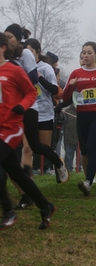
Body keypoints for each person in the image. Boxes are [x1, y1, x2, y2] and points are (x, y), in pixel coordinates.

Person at [4, 23, 69, 210]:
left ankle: (57, 161)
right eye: (5, 36)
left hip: (30, 106)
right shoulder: (5, 56)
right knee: (21, 150)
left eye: (10, 36)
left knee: (35, 146)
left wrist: (13, 74)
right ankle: (26, 193)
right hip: (12, 108)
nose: (7, 39)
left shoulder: (24, 54)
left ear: (18, 38)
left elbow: (32, 79)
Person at [0, 32, 56, 230]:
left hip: (11, 128)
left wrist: (21, 107)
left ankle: (8, 212)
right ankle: (45, 205)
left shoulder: (13, 70)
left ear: (2, 48)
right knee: (17, 174)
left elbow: (31, 92)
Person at [62, 41, 96, 196]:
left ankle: (88, 182)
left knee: (92, 147)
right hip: (82, 115)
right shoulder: (76, 73)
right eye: (83, 52)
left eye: (89, 52)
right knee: (85, 149)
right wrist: (71, 86)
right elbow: (65, 97)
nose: (85, 55)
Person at [25, 38, 62, 175]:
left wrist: (39, 77)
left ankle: (54, 166)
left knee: (44, 146)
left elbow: (54, 90)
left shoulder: (46, 68)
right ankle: (32, 170)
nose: (28, 55)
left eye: (31, 52)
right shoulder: (23, 67)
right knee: (28, 146)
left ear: (38, 52)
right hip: (29, 110)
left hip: (45, 112)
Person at [63, 104, 82, 172]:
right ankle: (68, 169)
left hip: (78, 138)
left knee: (79, 155)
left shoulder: (81, 111)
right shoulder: (67, 111)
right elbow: (63, 125)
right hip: (68, 137)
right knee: (69, 155)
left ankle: (79, 168)